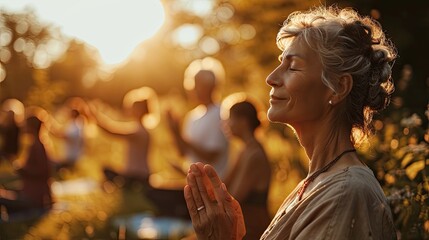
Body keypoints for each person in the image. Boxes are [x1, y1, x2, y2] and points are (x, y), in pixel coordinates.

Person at [183, 5, 397, 240]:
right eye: (280, 63)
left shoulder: (344, 194)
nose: (271, 78)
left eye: (293, 66)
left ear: (338, 88)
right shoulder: (316, 183)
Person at [222, 98, 272, 240]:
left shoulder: (254, 155)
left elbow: (233, 198)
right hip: (241, 227)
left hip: (252, 230)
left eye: (230, 119)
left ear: (243, 121)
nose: (226, 124)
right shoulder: (244, 150)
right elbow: (222, 183)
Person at [167, 68, 229, 179]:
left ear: (211, 87)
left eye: (197, 85)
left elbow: (211, 156)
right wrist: (174, 131)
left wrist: (182, 138)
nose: (192, 89)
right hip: (195, 185)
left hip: (214, 187)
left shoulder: (220, 113)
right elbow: (183, 152)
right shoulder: (192, 116)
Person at [89, 87, 158, 188]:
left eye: (133, 107)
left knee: (107, 171)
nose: (130, 110)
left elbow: (111, 131)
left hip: (137, 177)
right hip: (140, 175)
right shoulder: (142, 130)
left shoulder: (139, 131)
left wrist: (94, 115)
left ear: (140, 110)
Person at [0, 108, 52, 215]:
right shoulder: (39, 144)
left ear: (31, 127)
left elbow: (42, 172)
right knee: (5, 191)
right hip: (32, 194)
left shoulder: (37, 146)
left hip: (34, 199)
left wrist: (21, 170)